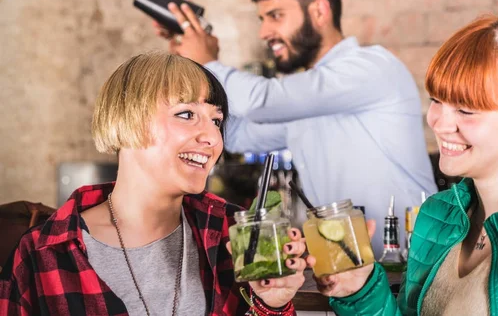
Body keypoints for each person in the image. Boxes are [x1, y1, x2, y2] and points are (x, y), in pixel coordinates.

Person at [308, 5, 498, 315]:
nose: (439, 122)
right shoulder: (435, 216)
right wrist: (360, 289)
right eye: (437, 100)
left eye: (465, 110)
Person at [154, 0, 437, 256]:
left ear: (319, 11)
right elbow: (233, 134)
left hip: (413, 268)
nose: (265, 32)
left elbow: (259, 102)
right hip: (351, 273)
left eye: (276, 16)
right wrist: (191, 65)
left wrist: (209, 62)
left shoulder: (371, 67)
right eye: (262, 19)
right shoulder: (305, 103)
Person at [0, 52, 307, 315]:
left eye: (216, 120)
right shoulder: (43, 254)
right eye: (186, 114)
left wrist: (272, 305)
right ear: (127, 119)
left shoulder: (232, 233)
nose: (213, 138)